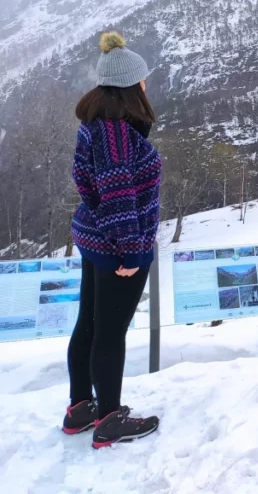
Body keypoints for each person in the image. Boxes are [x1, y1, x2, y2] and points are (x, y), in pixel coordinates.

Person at [64, 32, 162, 449]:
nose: (146, 85)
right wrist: (131, 252)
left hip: (94, 238)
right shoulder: (118, 133)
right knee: (110, 332)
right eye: (142, 80)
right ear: (131, 86)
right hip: (117, 248)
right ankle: (109, 419)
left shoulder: (96, 125)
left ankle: (81, 408)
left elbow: (90, 184)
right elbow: (120, 194)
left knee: (89, 323)